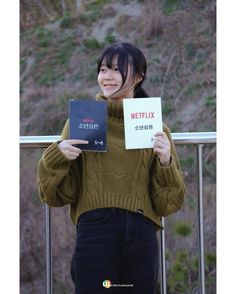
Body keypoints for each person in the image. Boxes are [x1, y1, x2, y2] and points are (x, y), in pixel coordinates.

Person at [37, 42, 186, 294]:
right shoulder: (82, 120)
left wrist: (165, 161)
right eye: (103, 69)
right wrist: (56, 155)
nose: (107, 76)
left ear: (138, 77)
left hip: (141, 231)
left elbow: (168, 203)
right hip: (95, 230)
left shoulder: (155, 127)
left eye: (117, 70)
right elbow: (57, 195)